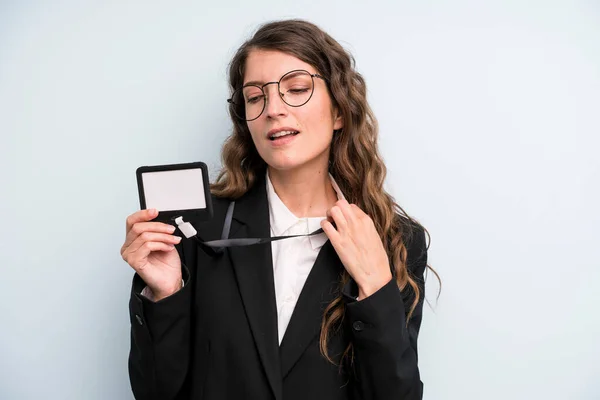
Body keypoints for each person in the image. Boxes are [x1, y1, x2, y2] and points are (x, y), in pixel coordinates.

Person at [121, 19, 434, 400]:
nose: (273, 109)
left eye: (297, 89)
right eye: (255, 97)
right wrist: (165, 294)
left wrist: (375, 287)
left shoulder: (396, 241)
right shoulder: (194, 229)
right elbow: (155, 393)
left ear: (339, 112)